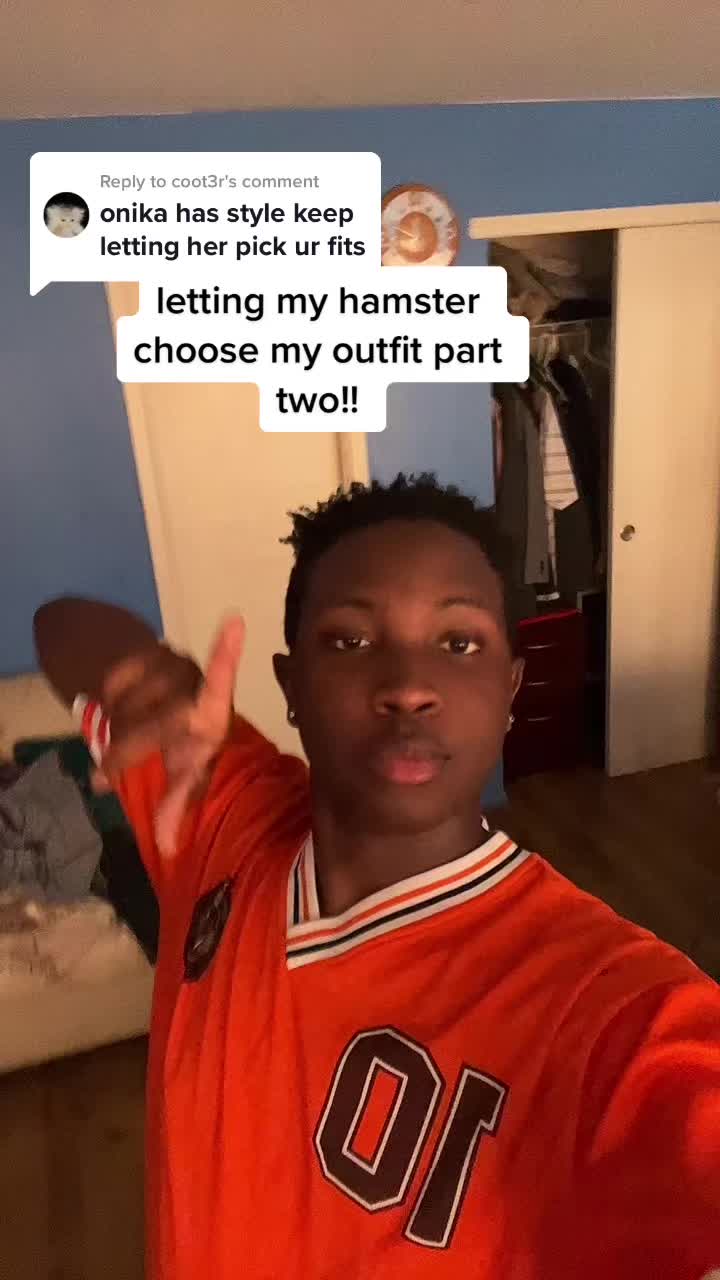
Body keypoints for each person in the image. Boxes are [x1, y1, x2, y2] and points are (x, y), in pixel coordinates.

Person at [34, 474, 720, 1280]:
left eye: (458, 643)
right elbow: (61, 624)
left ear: (510, 687)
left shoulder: (612, 1006)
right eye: (352, 642)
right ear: (290, 687)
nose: (407, 688)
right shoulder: (218, 811)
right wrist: (142, 673)